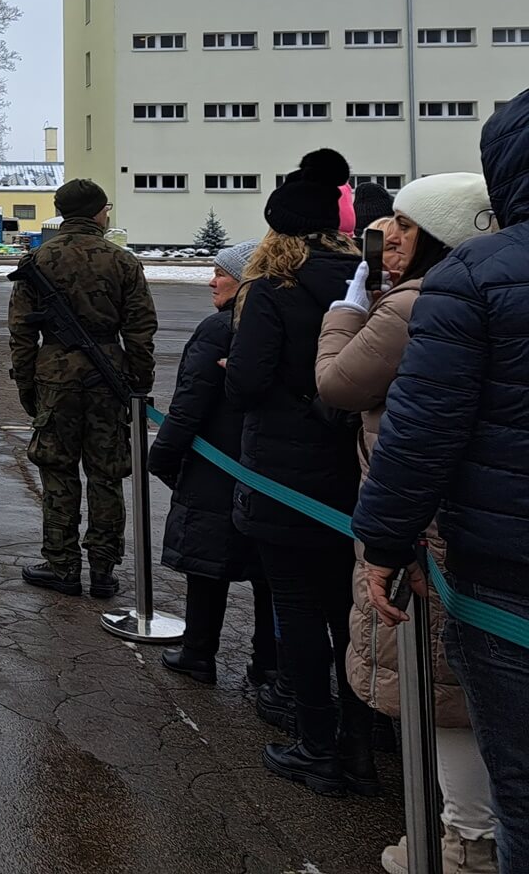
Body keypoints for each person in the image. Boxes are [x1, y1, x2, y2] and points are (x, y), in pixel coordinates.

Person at [355, 91, 529, 872]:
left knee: (520, 791)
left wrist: (382, 543)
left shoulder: (476, 277)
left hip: (505, 573)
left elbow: (420, 432)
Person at [318, 175, 499, 872]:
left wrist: (346, 312)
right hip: (472, 520)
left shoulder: (415, 305)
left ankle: (462, 843)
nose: (387, 234)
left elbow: (338, 384)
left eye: (405, 223)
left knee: (446, 693)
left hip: (427, 530)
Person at [222, 148, 370, 798]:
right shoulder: (363, 281)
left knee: (300, 611)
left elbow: (249, 382)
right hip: (352, 475)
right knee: (352, 614)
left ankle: (317, 744)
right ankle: (364, 749)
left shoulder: (270, 291)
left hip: (283, 480)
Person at [8, 179, 158, 598]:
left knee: (58, 471)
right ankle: (103, 569)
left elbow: (21, 332)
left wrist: (26, 385)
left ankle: (63, 565)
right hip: (108, 378)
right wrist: (137, 386)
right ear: (96, 213)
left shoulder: (40, 258)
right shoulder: (122, 260)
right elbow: (141, 330)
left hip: (54, 377)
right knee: (106, 475)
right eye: (105, 208)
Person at [149, 240, 277, 689]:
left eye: (220, 272)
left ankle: (198, 653)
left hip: (213, 464)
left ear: (243, 280)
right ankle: (269, 665)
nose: (212, 280)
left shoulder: (218, 328)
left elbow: (190, 402)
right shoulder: (275, 324)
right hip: (266, 470)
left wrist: (163, 454)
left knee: (207, 566)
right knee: (268, 575)